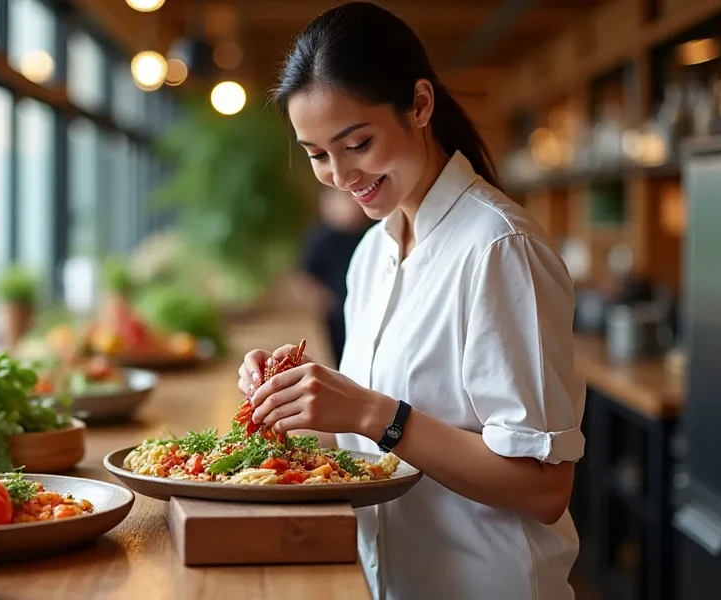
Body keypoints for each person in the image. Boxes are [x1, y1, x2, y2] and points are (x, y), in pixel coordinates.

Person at [235, 3, 586, 599]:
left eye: (357, 143)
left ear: (420, 105)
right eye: (318, 154)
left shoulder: (499, 248)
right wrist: (291, 391)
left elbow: (543, 489)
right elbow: (369, 441)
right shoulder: (373, 253)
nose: (341, 175)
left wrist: (376, 413)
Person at [299, 186, 373, 366]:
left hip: (366, 312)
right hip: (336, 316)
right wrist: (323, 300)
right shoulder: (323, 237)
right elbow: (305, 275)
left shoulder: (373, 233)